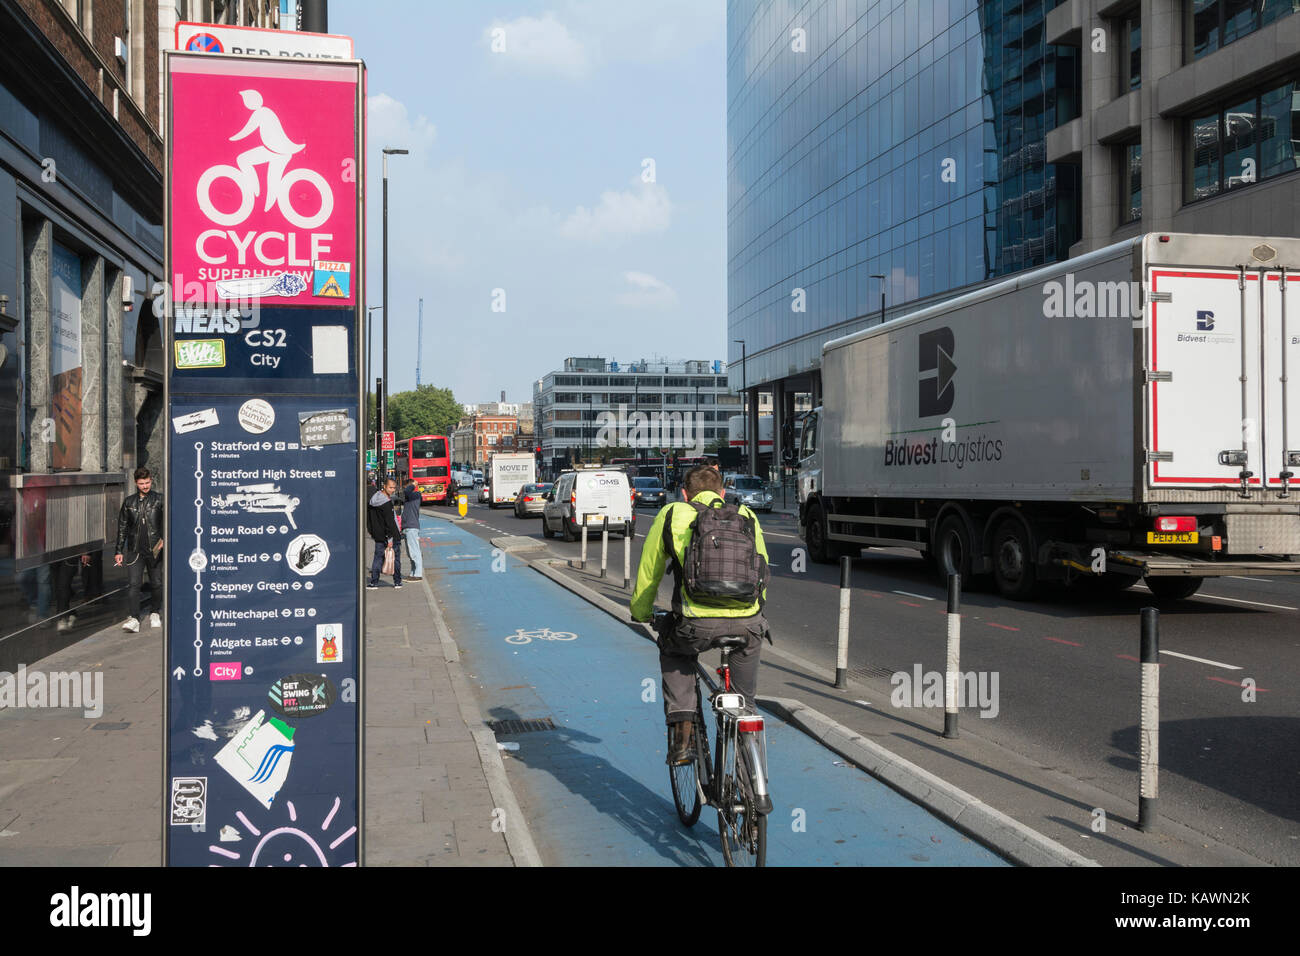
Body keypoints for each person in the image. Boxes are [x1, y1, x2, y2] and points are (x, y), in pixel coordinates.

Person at [630, 465, 770, 765]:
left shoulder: (672, 513)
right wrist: (755, 613)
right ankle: (753, 777)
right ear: (722, 493)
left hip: (695, 625)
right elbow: (762, 570)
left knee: (673, 650)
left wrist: (642, 612)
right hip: (749, 624)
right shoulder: (747, 516)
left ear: (684, 493)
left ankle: (682, 734)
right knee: (745, 702)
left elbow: (649, 571)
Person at [115, 466, 164, 633]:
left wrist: (164, 540)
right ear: (136, 483)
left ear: (151, 480)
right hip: (135, 550)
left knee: (157, 583)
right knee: (134, 584)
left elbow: (168, 522)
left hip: (155, 548)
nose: (145, 486)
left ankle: (155, 612)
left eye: (148, 482)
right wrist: (118, 551)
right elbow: (122, 527)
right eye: (142, 483)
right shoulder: (129, 502)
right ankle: (134, 618)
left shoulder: (159, 500)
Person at [367, 477, 402, 589]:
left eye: (394, 488)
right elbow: (389, 523)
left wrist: (372, 532)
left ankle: (374, 582)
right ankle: (397, 581)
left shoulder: (372, 502)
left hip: (378, 536)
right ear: (385, 486)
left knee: (377, 558)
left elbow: (369, 520)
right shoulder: (386, 503)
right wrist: (390, 539)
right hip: (390, 536)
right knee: (395, 558)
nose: (392, 490)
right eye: (390, 487)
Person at [401, 477, 423, 580]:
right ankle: (413, 573)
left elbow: (407, 491)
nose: (404, 490)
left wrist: (413, 484)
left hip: (412, 527)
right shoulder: (410, 497)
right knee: (411, 553)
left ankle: (418, 574)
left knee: (414, 551)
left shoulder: (415, 495)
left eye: (405, 487)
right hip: (407, 527)